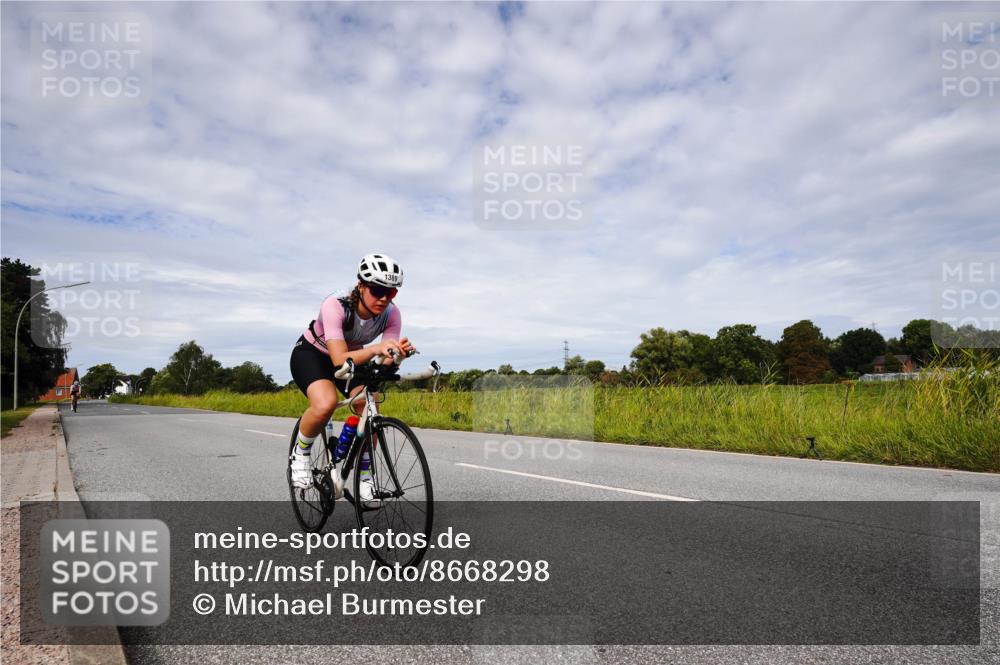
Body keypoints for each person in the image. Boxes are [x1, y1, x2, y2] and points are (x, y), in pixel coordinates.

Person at [289, 253, 413, 505]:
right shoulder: (336, 304)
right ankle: (300, 454)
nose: (383, 299)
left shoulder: (391, 314)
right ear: (361, 286)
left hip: (353, 358)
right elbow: (338, 360)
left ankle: (366, 477)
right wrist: (375, 350)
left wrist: (397, 355)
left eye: (391, 293)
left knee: (370, 407)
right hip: (314, 354)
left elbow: (384, 358)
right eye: (378, 290)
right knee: (325, 404)